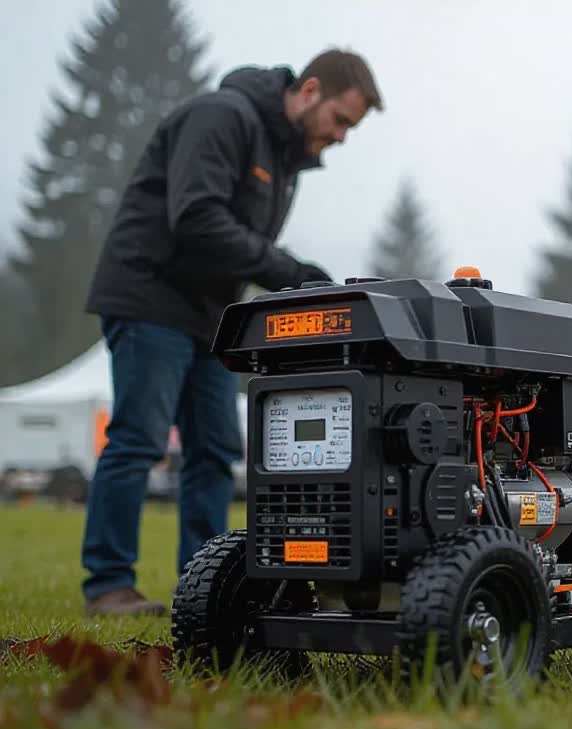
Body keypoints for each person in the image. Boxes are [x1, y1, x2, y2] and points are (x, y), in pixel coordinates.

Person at [79, 50, 383, 616]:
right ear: (311, 90)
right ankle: (108, 585)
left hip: (210, 317)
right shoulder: (224, 116)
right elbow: (196, 216)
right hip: (149, 297)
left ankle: (204, 588)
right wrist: (291, 273)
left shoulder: (284, 160)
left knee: (216, 451)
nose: (341, 137)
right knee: (139, 439)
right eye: (341, 120)